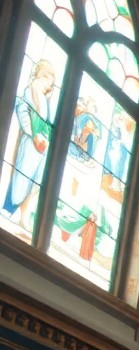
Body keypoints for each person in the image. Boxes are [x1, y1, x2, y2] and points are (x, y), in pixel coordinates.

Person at [3, 60, 57, 232]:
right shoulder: (30, 91)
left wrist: (44, 136)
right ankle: (8, 209)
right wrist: (32, 134)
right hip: (30, 143)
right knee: (22, 176)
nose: (51, 84)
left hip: (42, 147)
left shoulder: (46, 99)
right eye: (50, 79)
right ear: (43, 76)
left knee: (35, 182)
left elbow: (47, 122)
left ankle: (24, 216)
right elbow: (22, 111)